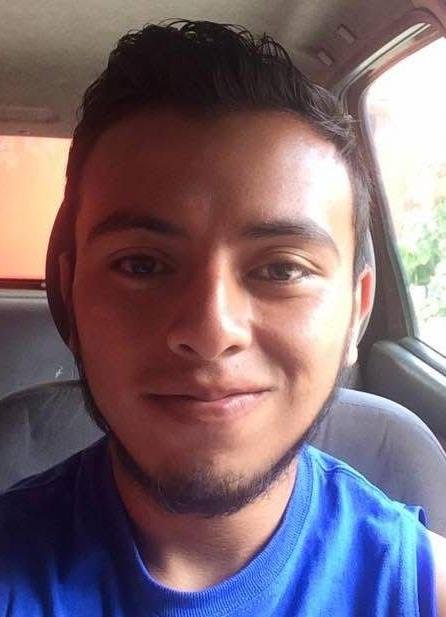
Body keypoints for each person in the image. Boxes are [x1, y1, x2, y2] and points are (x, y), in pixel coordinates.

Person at [0, 19, 445, 616]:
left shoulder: (425, 590)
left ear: (356, 313)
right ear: (68, 297)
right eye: (140, 265)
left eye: (282, 269)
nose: (211, 332)